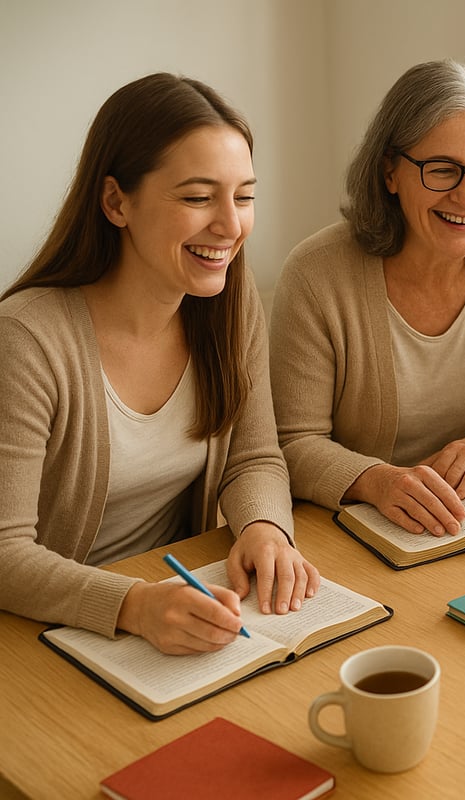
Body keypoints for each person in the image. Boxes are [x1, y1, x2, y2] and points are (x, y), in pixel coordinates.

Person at [0, 73, 320, 655]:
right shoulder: (26, 339)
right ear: (116, 201)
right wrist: (136, 605)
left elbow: (254, 457)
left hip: (180, 606)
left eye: (244, 196)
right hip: (50, 631)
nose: (230, 226)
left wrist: (264, 528)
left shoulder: (228, 304)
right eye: (198, 197)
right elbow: (5, 553)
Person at [270, 60, 465, 537]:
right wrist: (376, 481)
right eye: (443, 170)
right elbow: (291, 443)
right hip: (355, 532)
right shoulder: (317, 274)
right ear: (390, 172)